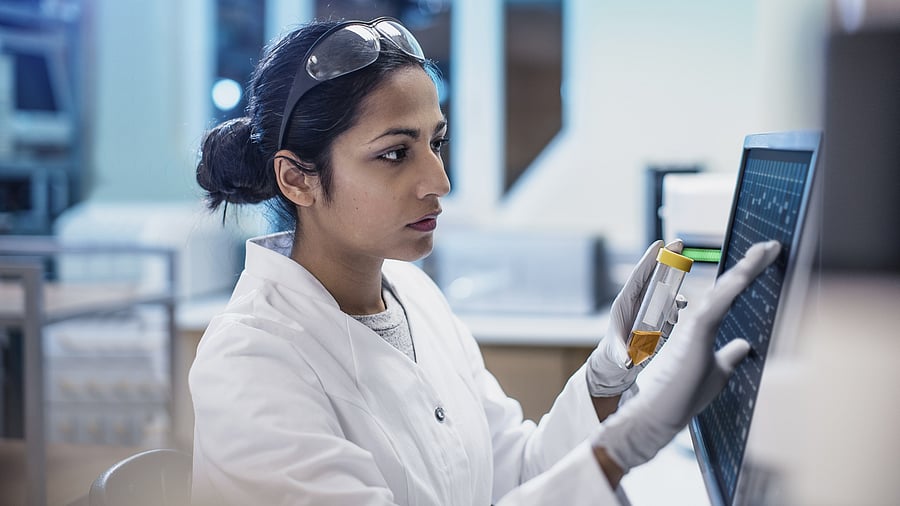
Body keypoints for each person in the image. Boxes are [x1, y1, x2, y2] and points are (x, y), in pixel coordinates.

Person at [189, 16, 781, 505]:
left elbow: (517, 476)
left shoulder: (414, 295)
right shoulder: (251, 360)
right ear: (297, 179)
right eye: (395, 154)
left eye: (436, 143)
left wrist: (611, 373)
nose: (438, 180)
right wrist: (619, 451)